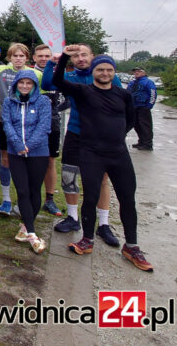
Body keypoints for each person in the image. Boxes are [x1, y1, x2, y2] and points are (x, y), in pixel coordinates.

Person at [53, 48, 152, 272]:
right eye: (100, 69)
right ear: (93, 71)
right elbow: (57, 80)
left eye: (109, 69)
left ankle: (132, 246)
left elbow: (130, 120)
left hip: (118, 153)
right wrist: (64, 57)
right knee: (90, 195)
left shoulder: (123, 95)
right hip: (91, 153)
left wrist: (114, 136)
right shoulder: (83, 91)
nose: (105, 73)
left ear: (114, 72)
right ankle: (87, 239)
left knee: (128, 198)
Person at [42, 43, 122, 246]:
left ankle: (103, 224)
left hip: (102, 137)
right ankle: (72, 217)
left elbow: (122, 105)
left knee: (102, 179)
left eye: (84, 55)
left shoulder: (106, 76)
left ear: (92, 56)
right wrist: (53, 63)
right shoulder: (70, 77)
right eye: (76, 56)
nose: (81, 59)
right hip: (76, 133)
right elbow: (48, 84)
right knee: (69, 176)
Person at [0, 43, 36, 216]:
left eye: (21, 56)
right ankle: (6, 200)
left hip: (27, 125)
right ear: (9, 57)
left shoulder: (36, 74)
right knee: (5, 161)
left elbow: (50, 86)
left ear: (26, 58)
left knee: (26, 162)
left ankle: (24, 200)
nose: (18, 59)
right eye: (15, 56)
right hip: (6, 122)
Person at [2, 70, 51, 254]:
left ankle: (25, 226)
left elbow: (44, 125)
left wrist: (29, 145)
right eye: (21, 83)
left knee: (33, 190)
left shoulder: (43, 102)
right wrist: (17, 144)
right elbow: (7, 123)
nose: (24, 86)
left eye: (28, 83)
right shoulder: (9, 102)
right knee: (22, 190)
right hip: (16, 152)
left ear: (34, 85)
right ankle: (32, 233)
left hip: (38, 152)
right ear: (15, 84)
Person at [33, 44, 64, 216]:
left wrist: (56, 110)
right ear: (34, 58)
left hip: (53, 123)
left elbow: (66, 99)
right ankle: (30, 197)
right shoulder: (30, 74)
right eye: (41, 56)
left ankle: (49, 200)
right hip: (32, 123)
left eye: (47, 56)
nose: (44, 59)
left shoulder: (57, 75)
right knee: (31, 161)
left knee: (51, 161)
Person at [128, 66, 156, 151]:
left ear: (144, 72)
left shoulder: (148, 82)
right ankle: (141, 141)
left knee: (145, 126)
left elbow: (153, 93)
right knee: (136, 125)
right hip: (133, 107)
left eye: (138, 71)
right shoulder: (132, 83)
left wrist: (149, 106)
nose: (136, 73)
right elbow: (127, 93)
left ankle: (148, 144)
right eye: (135, 71)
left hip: (143, 107)